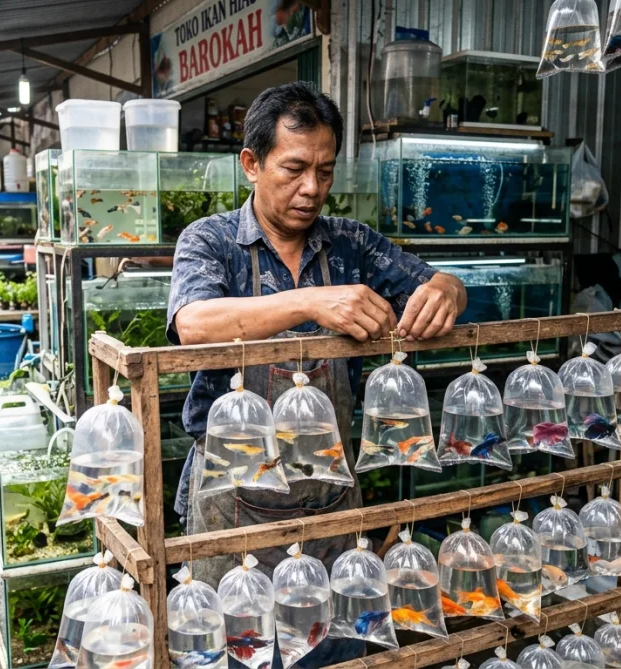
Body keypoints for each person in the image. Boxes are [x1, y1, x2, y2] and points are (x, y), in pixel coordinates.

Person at [167, 82, 465, 666]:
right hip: (234, 503)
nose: (312, 189)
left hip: (330, 499)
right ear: (251, 164)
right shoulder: (210, 241)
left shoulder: (351, 244)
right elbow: (194, 323)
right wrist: (310, 302)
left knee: (334, 648)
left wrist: (446, 291)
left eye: (324, 172)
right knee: (236, 651)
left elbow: (439, 281)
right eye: (295, 169)